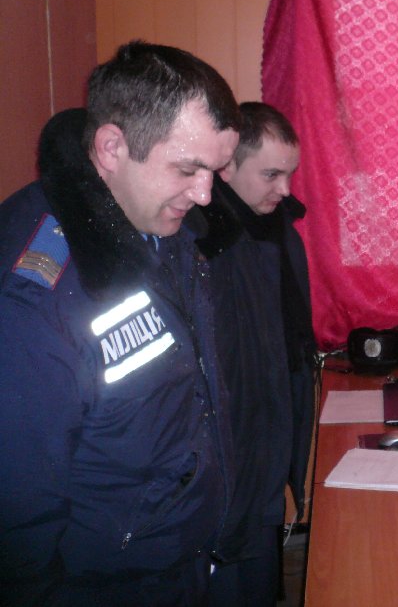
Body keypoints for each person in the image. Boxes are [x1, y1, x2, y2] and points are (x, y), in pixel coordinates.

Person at [0, 41, 241, 605]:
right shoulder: (32, 299)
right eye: (188, 168)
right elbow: (18, 521)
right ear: (112, 148)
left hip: (179, 562)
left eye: (213, 171)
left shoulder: (161, 224)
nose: (205, 193)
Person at [198, 102, 317, 606]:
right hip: (238, 441)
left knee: (263, 572)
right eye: (271, 175)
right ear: (227, 166)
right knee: (237, 578)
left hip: (272, 426)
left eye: (290, 174)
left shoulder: (277, 229)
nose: (286, 189)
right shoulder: (208, 243)